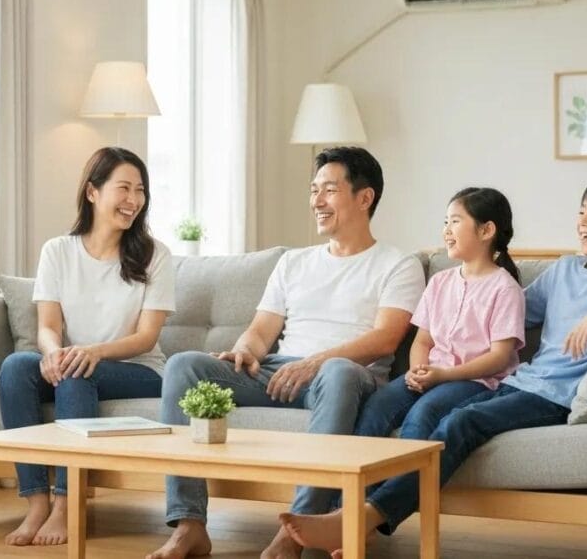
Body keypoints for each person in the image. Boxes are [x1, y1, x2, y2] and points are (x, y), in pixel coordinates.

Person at [282, 173, 587, 555]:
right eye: (581, 210)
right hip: (522, 383)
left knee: (460, 423)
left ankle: (363, 517)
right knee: (442, 417)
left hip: (556, 396)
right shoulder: (564, 270)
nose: (583, 220)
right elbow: (511, 312)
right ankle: (351, 516)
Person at [145, 147, 425, 559]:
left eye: (329, 190)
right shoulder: (295, 262)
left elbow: (385, 339)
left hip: (345, 376)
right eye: (314, 191)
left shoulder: (398, 264)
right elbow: (262, 330)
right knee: (186, 366)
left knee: (339, 372)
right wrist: (243, 350)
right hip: (281, 370)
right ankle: (189, 524)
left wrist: (318, 362)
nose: (316, 201)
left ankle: (297, 529)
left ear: (364, 198)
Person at [278, 187, 525, 552]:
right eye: (445, 221)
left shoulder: (505, 288)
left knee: (423, 414)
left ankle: (365, 520)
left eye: (455, 221)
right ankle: (343, 513)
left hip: (474, 380)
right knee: (375, 407)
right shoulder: (440, 281)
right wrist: (418, 370)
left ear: (487, 231)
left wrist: (442, 376)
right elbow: (422, 340)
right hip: (430, 374)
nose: (446, 229)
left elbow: (500, 357)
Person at [0, 147, 175, 546]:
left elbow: (146, 337)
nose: (134, 200)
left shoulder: (154, 255)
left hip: (140, 369)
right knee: (15, 367)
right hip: (76, 361)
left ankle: (67, 504)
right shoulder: (58, 251)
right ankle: (37, 502)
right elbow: (47, 325)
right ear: (93, 192)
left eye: (140, 191)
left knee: (79, 372)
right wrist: (52, 353)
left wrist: (92, 352)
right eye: (124, 188)